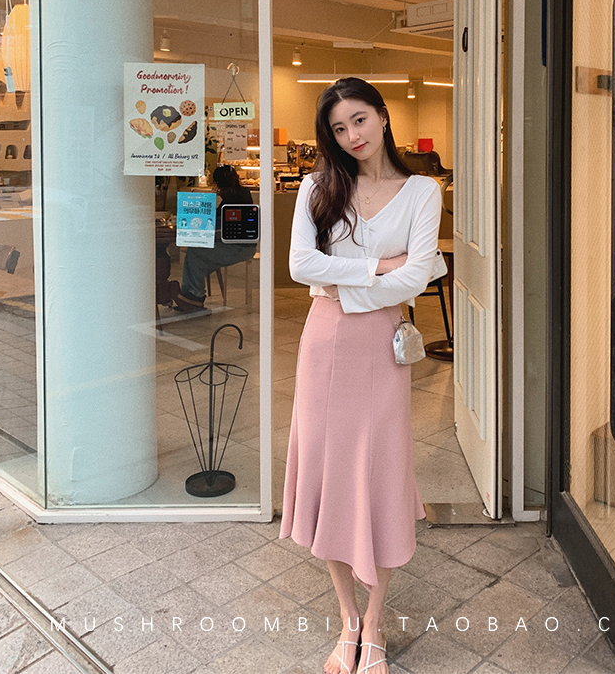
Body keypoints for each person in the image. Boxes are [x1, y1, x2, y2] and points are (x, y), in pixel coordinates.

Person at [279, 78, 442, 674]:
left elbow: (417, 278)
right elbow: (300, 265)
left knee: (379, 472)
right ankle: (349, 619)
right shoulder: (318, 186)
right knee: (329, 472)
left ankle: (374, 623)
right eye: (339, 128)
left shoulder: (421, 191)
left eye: (359, 120)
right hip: (324, 344)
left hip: (379, 345)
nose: (352, 135)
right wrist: (378, 266)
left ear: (383, 115)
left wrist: (342, 283)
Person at [172, 165, 256, 312]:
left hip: (238, 247)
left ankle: (195, 296)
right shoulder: (241, 195)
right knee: (197, 258)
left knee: (194, 253)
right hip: (243, 245)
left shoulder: (231, 199)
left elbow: (221, 228)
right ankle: (193, 295)